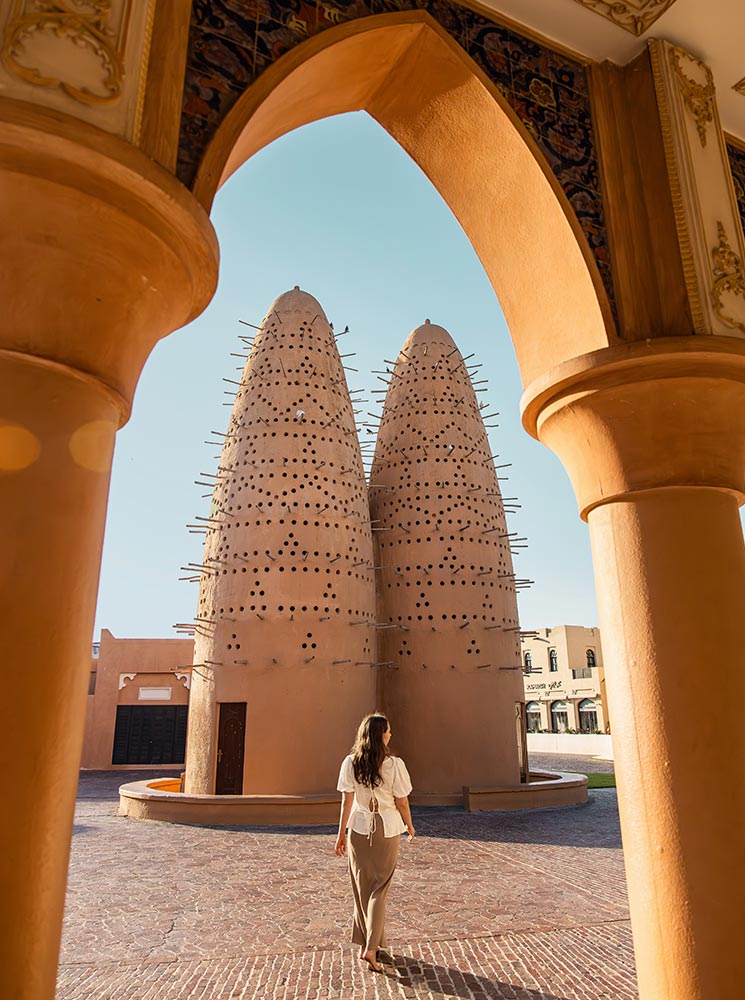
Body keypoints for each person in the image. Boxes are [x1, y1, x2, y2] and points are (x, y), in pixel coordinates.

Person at [335, 713, 415, 972]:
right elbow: (402, 800)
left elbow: (347, 801)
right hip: (387, 828)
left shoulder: (350, 763)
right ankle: (371, 949)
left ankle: (366, 945)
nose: (390, 735)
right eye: (388, 731)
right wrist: (410, 825)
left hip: (358, 828)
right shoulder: (394, 765)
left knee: (362, 889)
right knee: (380, 887)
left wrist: (340, 834)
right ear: (381, 735)